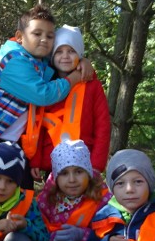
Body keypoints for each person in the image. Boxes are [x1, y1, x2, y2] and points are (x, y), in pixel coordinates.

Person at [0, 5, 92, 187]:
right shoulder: (14, 61)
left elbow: (63, 54)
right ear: (20, 37)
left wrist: (81, 60)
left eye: (50, 36)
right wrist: (76, 76)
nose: (44, 40)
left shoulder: (38, 61)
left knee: (21, 192)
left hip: (13, 141)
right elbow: (44, 94)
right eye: (37, 34)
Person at [27, 139, 119, 241]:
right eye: (64, 173)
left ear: (88, 172)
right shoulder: (46, 199)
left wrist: (81, 236)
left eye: (78, 171)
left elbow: (110, 234)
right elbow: (37, 229)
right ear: (55, 176)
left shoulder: (103, 197)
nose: (72, 179)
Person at [30, 26, 111, 177]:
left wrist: (97, 164)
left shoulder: (92, 85)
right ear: (52, 56)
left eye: (71, 51)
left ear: (79, 55)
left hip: (84, 163)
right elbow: (38, 125)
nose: (65, 56)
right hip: (52, 162)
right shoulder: (46, 86)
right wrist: (35, 160)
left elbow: (103, 126)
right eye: (59, 51)